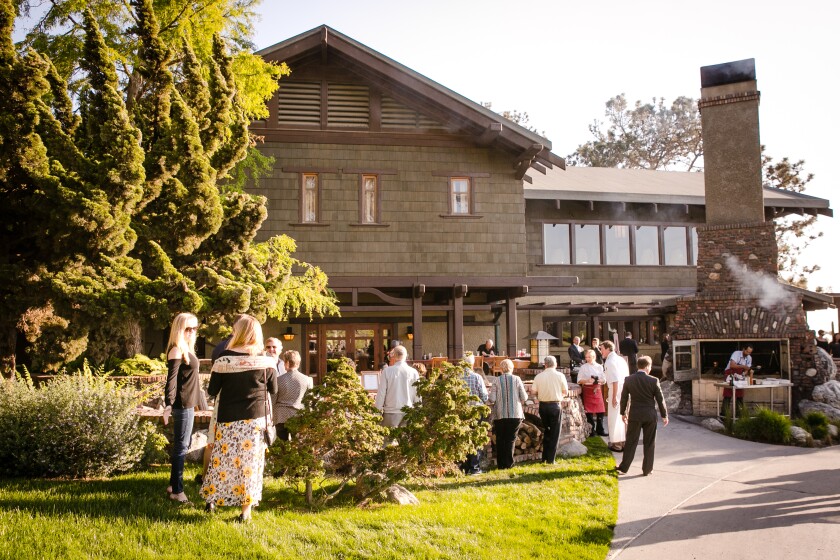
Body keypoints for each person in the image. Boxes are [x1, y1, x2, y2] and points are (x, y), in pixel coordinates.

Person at [200, 315, 278, 522]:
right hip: (255, 421)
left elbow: (212, 390)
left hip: (228, 419)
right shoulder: (266, 361)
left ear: (238, 332)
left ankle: (212, 500)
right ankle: (246, 513)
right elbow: (273, 389)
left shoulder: (224, 359)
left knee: (222, 461)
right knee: (250, 465)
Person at [163, 312, 202, 504]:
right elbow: (171, 381)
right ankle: (178, 491)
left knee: (182, 446)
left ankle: (172, 485)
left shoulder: (186, 349)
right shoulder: (177, 350)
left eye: (195, 328)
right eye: (188, 329)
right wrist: (168, 405)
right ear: (180, 329)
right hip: (182, 404)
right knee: (181, 447)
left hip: (189, 404)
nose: (192, 332)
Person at [616, 356, 669, 476]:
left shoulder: (629, 379)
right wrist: (664, 415)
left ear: (638, 366)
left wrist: (623, 413)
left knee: (631, 441)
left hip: (634, 414)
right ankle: (647, 469)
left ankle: (624, 468)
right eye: (650, 367)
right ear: (647, 367)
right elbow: (660, 400)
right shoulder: (654, 380)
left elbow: (624, 398)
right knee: (649, 442)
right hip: (650, 415)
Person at [488, 359, 527, 469]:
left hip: (500, 414)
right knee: (511, 439)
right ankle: (509, 464)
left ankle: (501, 464)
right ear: (512, 368)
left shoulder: (496, 380)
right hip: (515, 414)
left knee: (500, 439)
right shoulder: (517, 379)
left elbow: (492, 399)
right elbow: (524, 397)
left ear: (501, 369)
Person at [530, 355, 569, 464]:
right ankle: (551, 459)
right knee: (554, 433)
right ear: (555, 364)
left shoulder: (539, 376)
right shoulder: (560, 375)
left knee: (546, 431)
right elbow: (565, 392)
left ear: (545, 364)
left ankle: (544, 458)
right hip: (555, 406)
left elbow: (533, 392)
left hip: (543, 406)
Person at [374, 345, 419, 427]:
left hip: (391, 411)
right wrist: (418, 409)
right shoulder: (414, 372)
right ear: (406, 356)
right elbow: (417, 393)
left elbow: (381, 393)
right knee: (406, 439)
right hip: (409, 410)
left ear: (393, 356)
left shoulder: (387, 371)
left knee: (388, 439)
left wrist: (377, 411)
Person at [272, 350, 312, 442]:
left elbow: (273, 399)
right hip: (298, 414)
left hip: (280, 415)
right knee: (297, 443)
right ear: (298, 363)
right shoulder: (307, 380)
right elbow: (309, 400)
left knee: (281, 443)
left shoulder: (278, 380)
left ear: (286, 362)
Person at [460, 354, 489, 474]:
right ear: (472, 364)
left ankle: (464, 466)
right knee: (476, 439)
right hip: (476, 411)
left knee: (464, 438)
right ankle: (474, 467)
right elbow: (484, 396)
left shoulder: (457, 377)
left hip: (462, 412)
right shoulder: (477, 377)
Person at [601, 340, 628, 452]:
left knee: (614, 417)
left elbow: (615, 380)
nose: (601, 351)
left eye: (602, 348)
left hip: (616, 390)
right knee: (623, 416)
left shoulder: (610, 361)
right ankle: (623, 442)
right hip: (625, 390)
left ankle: (616, 444)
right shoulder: (620, 359)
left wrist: (613, 398)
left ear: (608, 349)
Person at [576, 349, 607, 436]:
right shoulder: (583, 367)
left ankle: (600, 430)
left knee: (600, 411)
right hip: (587, 389)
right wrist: (587, 380)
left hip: (597, 389)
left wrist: (599, 380)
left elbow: (604, 379)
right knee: (588, 412)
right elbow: (579, 380)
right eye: (586, 357)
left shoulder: (600, 367)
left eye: (589, 357)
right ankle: (591, 430)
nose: (587, 359)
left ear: (594, 357)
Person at [722, 345, 752, 416]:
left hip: (740, 377)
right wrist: (743, 366)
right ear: (743, 349)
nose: (748, 354)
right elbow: (732, 365)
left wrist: (743, 374)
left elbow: (747, 370)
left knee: (739, 396)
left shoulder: (749, 358)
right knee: (728, 395)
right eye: (747, 351)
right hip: (730, 374)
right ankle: (724, 415)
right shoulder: (736, 353)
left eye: (749, 352)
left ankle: (739, 415)